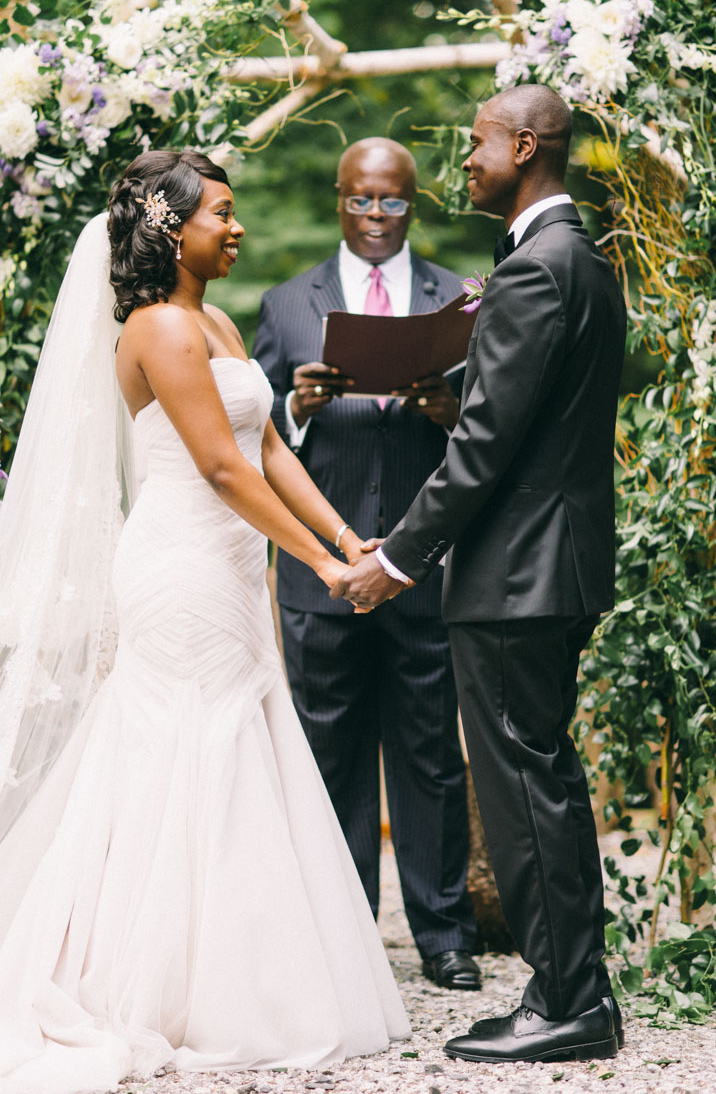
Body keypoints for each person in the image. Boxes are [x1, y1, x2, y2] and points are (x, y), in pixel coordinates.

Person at [0, 150, 409, 1094]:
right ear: (169, 227)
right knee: (180, 745)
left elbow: (267, 445)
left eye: (235, 213)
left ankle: (242, 971)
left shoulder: (219, 320)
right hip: (180, 568)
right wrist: (320, 566)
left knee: (244, 735)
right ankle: (151, 982)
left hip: (233, 565)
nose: (235, 229)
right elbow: (219, 470)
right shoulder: (157, 328)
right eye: (220, 214)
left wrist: (348, 537)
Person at [332, 86, 627, 1064]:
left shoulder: (536, 269)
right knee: (542, 779)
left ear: (525, 146)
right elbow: (520, 417)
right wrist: (446, 395)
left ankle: (566, 1004)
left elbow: (487, 450)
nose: (464, 161)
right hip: (553, 563)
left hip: (518, 573)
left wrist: (397, 559)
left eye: (476, 144)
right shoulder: (572, 257)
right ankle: (573, 991)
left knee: (523, 790)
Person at [253, 137, 480, 991]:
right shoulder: (284, 304)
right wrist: (300, 408)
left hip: (424, 563)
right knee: (332, 754)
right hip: (322, 569)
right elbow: (255, 434)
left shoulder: (460, 297)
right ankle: (345, 935)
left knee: (429, 753)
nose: (377, 218)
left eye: (394, 203)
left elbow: (492, 425)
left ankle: (445, 938)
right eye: (361, 201)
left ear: (413, 204)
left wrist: (449, 405)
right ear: (338, 198)